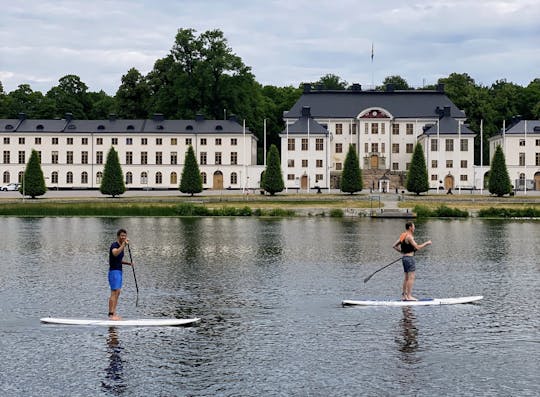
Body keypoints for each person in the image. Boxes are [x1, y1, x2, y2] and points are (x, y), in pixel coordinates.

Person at [392, 222, 432, 301]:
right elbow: (417, 247)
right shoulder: (409, 237)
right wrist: (427, 243)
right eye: (414, 227)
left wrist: (403, 252)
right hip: (409, 259)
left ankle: (404, 296)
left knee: (406, 278)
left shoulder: (402, 236)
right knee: (411, 278)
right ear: (410, 227)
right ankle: (409, 296)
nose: (414, 228)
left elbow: (394, 246)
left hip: (404, 258)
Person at [108, 229, 133, 320]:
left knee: (117, 292)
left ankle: (114, 313)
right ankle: (111, 315)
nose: (123, 237)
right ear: (118, 236)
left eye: (125, 236)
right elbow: (115, 253)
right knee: (114, 292)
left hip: (119, 271)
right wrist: (123, 245)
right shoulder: (114, 245)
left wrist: (128, 263)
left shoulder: (121, 246)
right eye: (122, 236)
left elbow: (118, 260)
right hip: (114, 271)